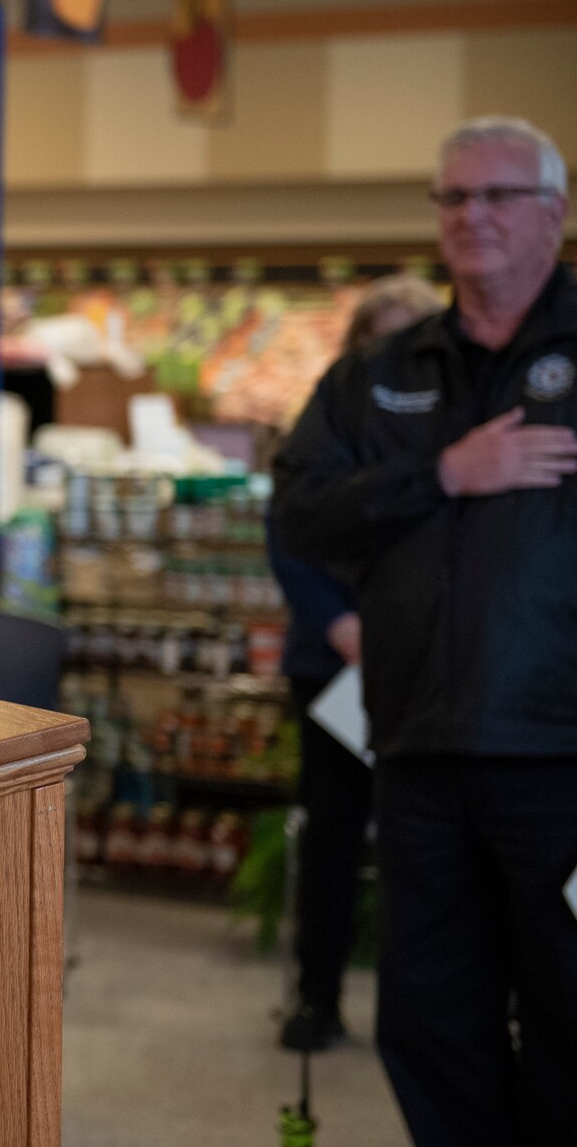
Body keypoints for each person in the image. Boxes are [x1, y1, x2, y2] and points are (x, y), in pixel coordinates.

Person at [273, 117, 577, 1146]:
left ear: (554, 213)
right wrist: (441, 475)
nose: (471, 217)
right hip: (416, 756)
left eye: (497, 196)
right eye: (451, 199)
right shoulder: (381, 374)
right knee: (428, 1019)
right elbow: (297, 510)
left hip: (559, 761)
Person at [268, 274, 442, 1053]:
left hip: (434, 672)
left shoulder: (452, 430)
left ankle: (427, 1005)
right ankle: (318, 994)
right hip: (334, 667)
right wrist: (340, 625)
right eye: (380, 337)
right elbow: (290, 532)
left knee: (427, 846)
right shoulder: (328, 419)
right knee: (333, 838)